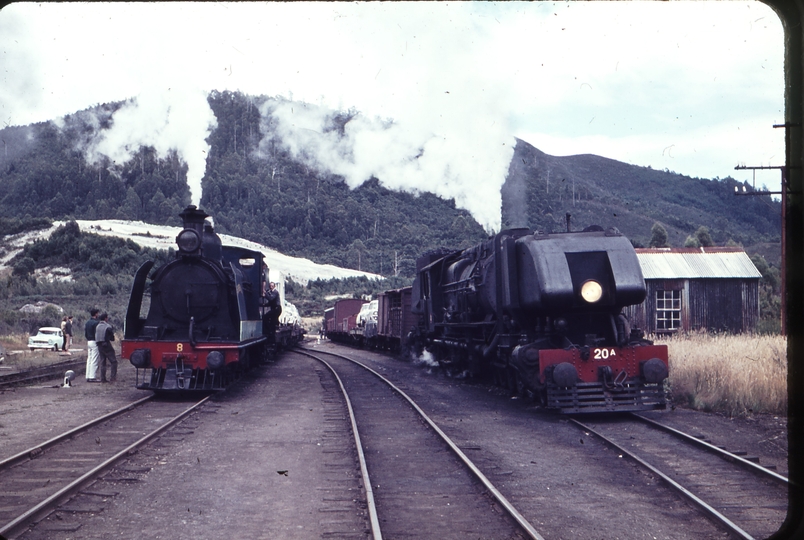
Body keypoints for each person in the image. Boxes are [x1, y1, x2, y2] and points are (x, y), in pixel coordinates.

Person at [94, 312, 117, 383]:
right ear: (105, 318)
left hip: (99, 345)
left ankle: (102, 378)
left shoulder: (97, 326)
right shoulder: (108, 326)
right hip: (106, 344)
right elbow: (111, 338)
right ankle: (113, 378)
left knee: (102, 361)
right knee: (113, 361)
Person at [85, 309, 100, 382]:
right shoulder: (96, 323)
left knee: (89, 359)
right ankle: (92, 376)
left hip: (89, 341)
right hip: (94, 341)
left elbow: (85, 333)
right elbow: (96, 333)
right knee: (94, 359)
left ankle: (87, 375)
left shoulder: (87, 323)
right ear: (96, 314)